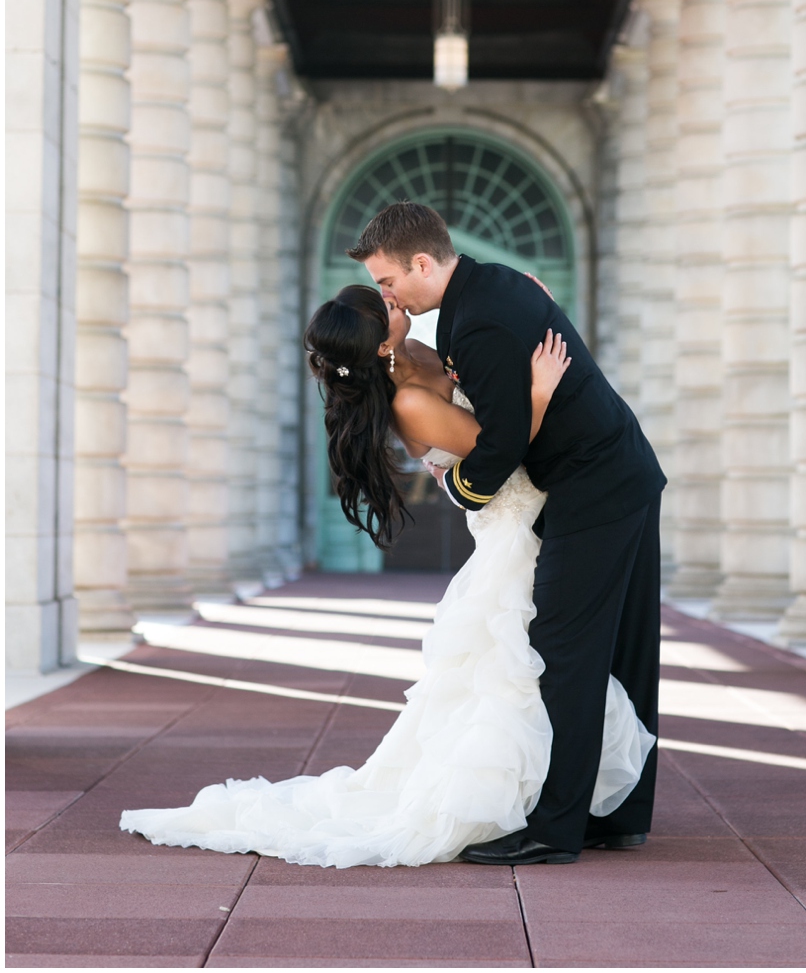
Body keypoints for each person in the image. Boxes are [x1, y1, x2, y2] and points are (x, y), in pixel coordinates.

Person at [119, 273, 655, 868]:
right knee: (524, 667)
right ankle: (531, 808)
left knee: (549, 663)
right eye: (385, 304)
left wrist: (529, 306)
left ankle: (571, 808)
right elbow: (501, 452)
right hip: (512, 521)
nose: (395, 301)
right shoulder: (408, 400)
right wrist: (539, 392)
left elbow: (482, 375)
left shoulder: (418, 353)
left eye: (388, 291)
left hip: (538, 509)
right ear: (379, 345)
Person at [351, 202, 666, 865]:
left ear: (422, 263)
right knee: (621, 642)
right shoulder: (493, 285)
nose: (389, 294)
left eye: (388, 281)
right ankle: (618, 815)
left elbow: (495, 455)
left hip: (590, 485)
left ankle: (557, 826)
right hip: (617, 470)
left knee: (561, 647)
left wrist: (476, 472)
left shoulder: (477, 322)